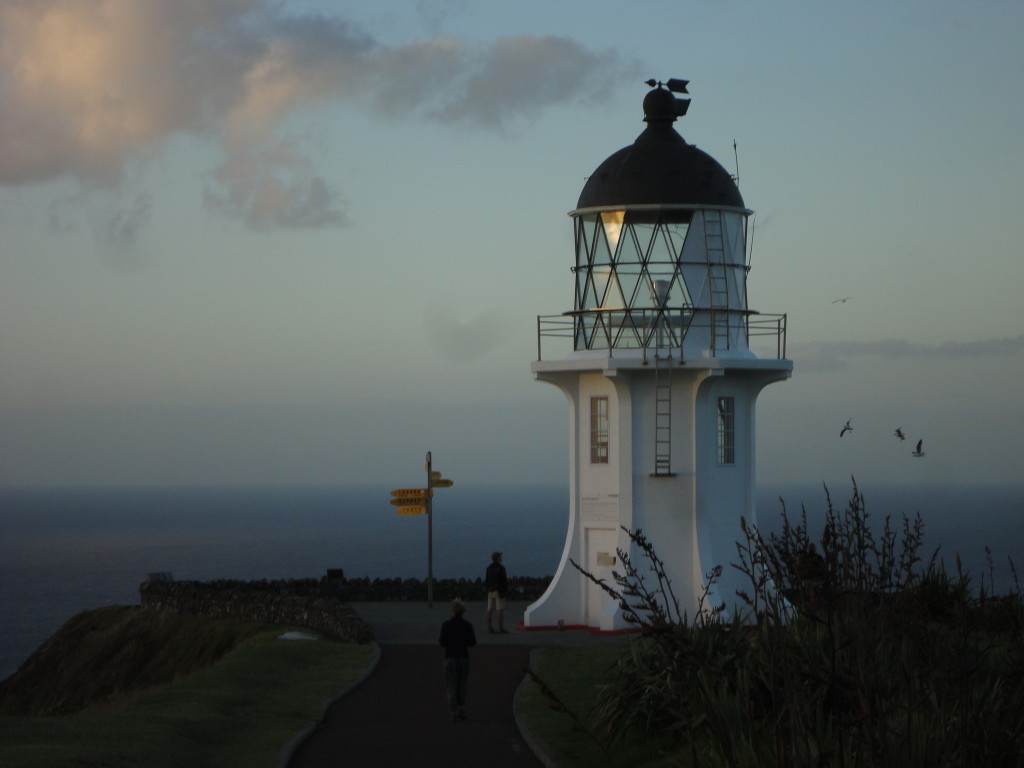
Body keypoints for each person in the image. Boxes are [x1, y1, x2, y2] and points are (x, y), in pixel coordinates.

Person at [439, 598, 476, 721]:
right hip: (463, 657)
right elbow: (472, 643)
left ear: (452, 611)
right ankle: (462, 709)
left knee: (451, 685)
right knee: (462, 684)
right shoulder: (467, 625)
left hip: (450, 657)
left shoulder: (446, 625)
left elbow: (442, 642)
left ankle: (453, 711)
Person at [485, 551, 509, 634]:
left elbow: (487, 580)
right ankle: (501, 628)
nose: (501, 558)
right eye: (500, 557)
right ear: (497, 558)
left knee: (490, 610)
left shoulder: (489, 568)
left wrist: (488, 589)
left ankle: (490, 627)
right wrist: (504, 591)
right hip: (499, 591)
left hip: (490, 591)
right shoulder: (501, 568)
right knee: (500, 610)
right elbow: (504, 581)